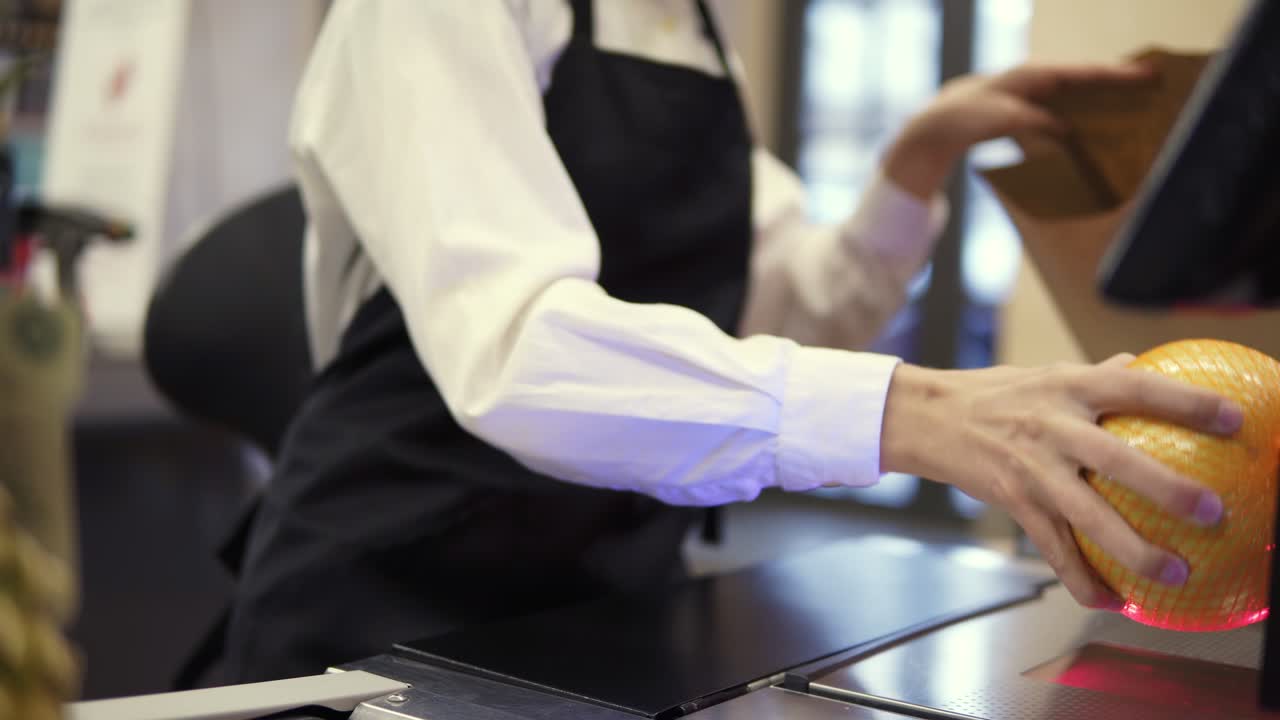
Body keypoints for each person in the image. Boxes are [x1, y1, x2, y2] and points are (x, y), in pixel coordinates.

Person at [224, 0, 1242, 682]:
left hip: (604, 606)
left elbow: (793, 309)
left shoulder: (693, 30)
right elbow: (516, 352)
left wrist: (917, 159)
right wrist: (915, 413)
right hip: (385, 597)